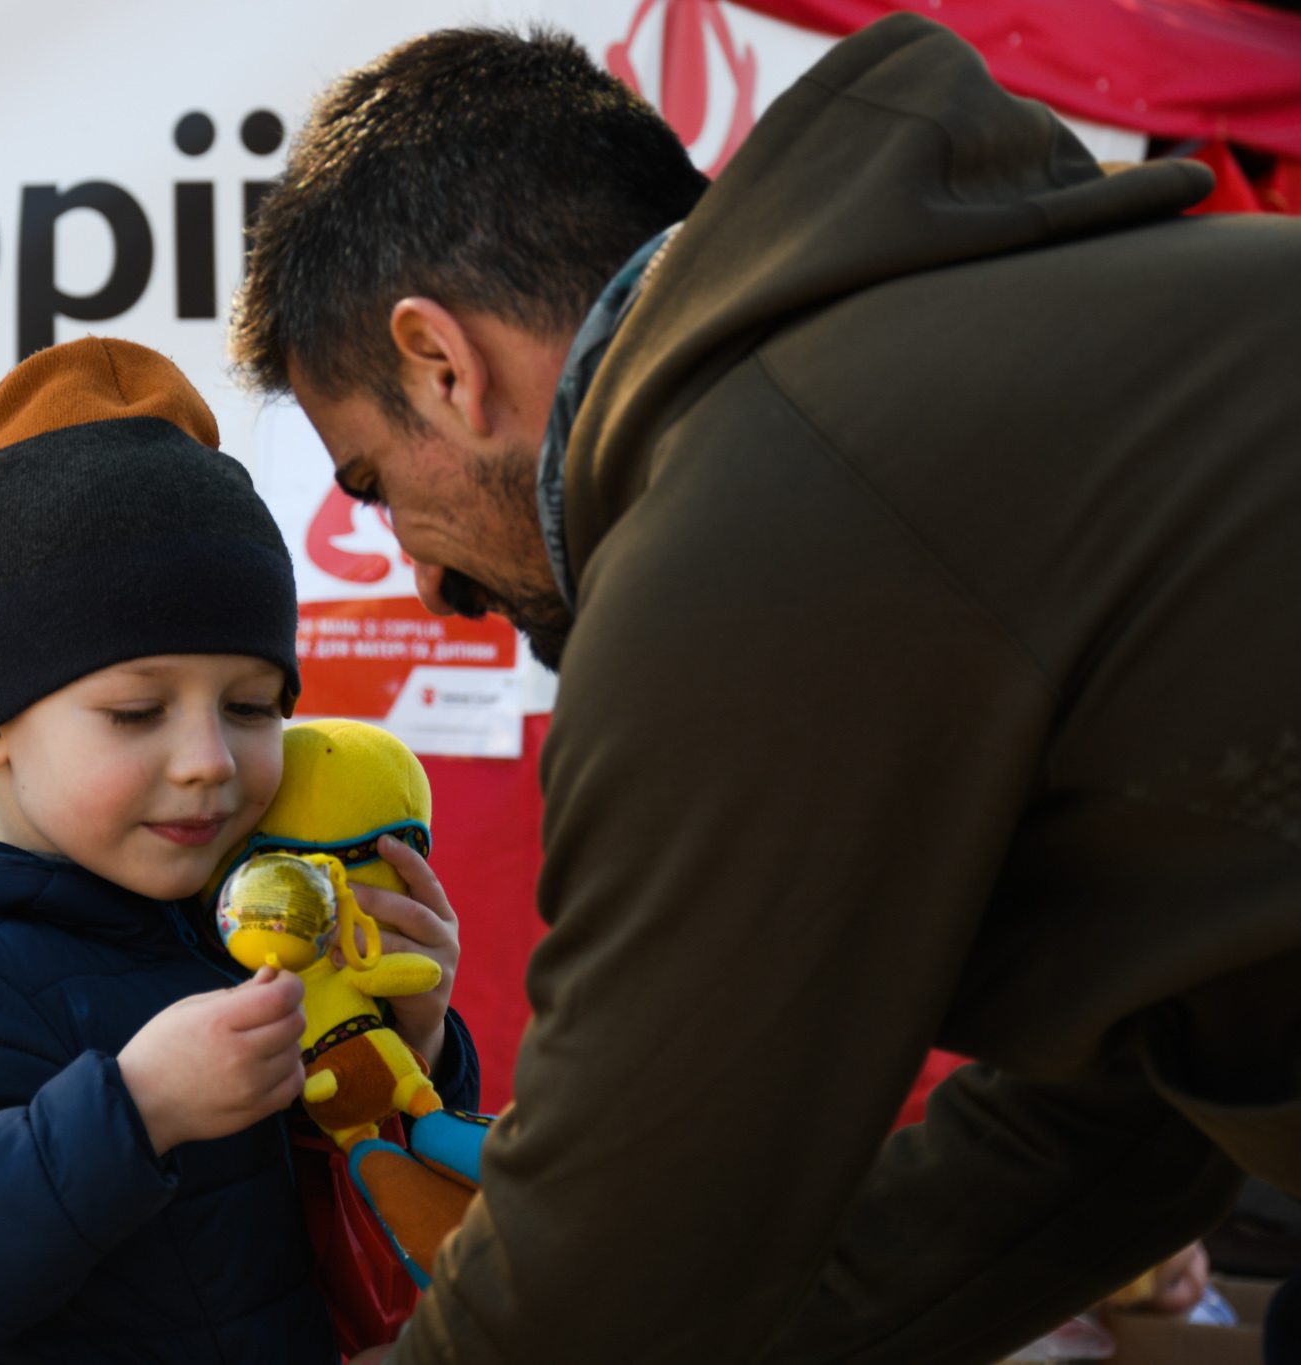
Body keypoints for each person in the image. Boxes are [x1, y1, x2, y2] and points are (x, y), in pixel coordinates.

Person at [231, 15, 1301, 1365]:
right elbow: (1115, 1127)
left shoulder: (757, 513)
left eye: (376, 485)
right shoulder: (940, 362)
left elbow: (610, 1269)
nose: (429, 586)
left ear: (443, 364)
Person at [0, 338, 478, 1363]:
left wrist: (415, 1038)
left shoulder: (236, 912)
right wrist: (134, 1110)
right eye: (136, 712)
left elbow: (355, 1206)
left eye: (252, 706)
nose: (207, 762)